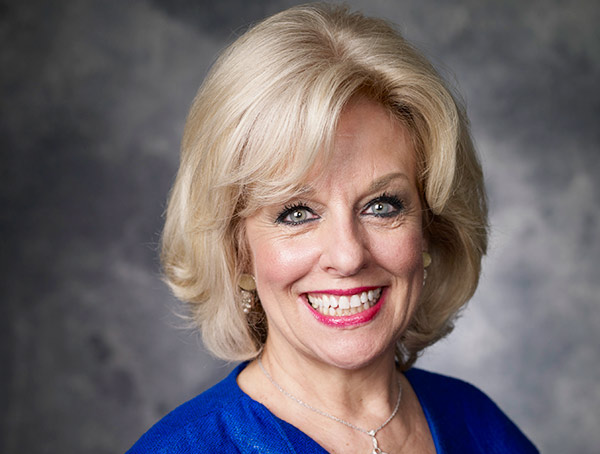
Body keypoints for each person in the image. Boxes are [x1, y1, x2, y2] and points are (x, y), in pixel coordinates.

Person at [128, 4, 538, 453]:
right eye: (297, 213)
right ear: (237, 250)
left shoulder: (479, 427)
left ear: (429, 229)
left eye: (382, 206)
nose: (348, 256)